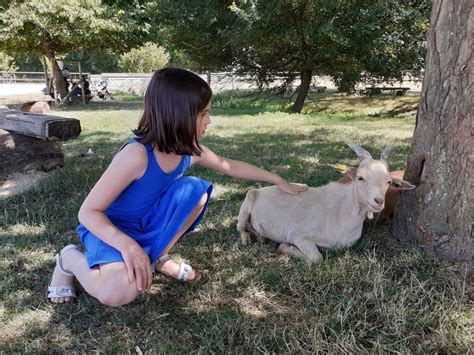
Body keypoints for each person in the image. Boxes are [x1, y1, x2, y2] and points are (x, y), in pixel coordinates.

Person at [47, 67, 307, 307]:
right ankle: (68, 259)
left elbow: (230, 166)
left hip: (147, 223)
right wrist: (127, 246)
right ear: (179, 116)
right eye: (204, 114)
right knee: (119, 293)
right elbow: (88, 213)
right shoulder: (136, 155)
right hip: (111, 230)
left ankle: (157, 256)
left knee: (194, 191)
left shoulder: (189, 150)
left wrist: (278, 180)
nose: (210, 121)